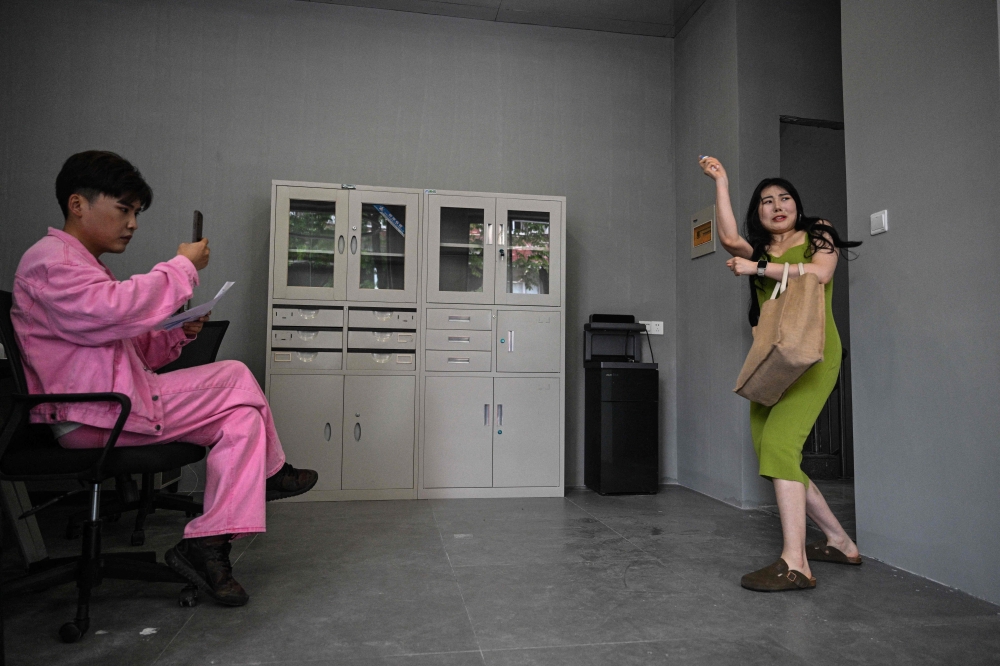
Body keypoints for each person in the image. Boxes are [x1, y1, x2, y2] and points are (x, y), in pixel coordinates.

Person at [11, 150, 318, 606]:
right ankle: (271, 474)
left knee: (242, 422)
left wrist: (174, 331)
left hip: (114, 404)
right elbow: (116, 311)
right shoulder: (50, 262)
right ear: (78, 204)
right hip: (95, 414)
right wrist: (183, 267)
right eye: (124, 209)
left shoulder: (81, 267)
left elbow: (126, 349)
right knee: (234, 374)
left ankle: (207, 546)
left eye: (136, 212)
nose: (132, 223)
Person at [699, 155, 862, 592]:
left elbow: (822, 273)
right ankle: (839, 540)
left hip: (814, 355)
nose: (777, 206)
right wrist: (722, 181)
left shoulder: (819, 235)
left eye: (784, 198)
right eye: (766, 202)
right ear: (759, 213)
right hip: (771, 359)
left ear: (797, 204)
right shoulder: (757, 249)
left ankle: (797, 563)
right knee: (772, 451)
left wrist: (759, 270)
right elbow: (729, 236)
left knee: (779, 445)